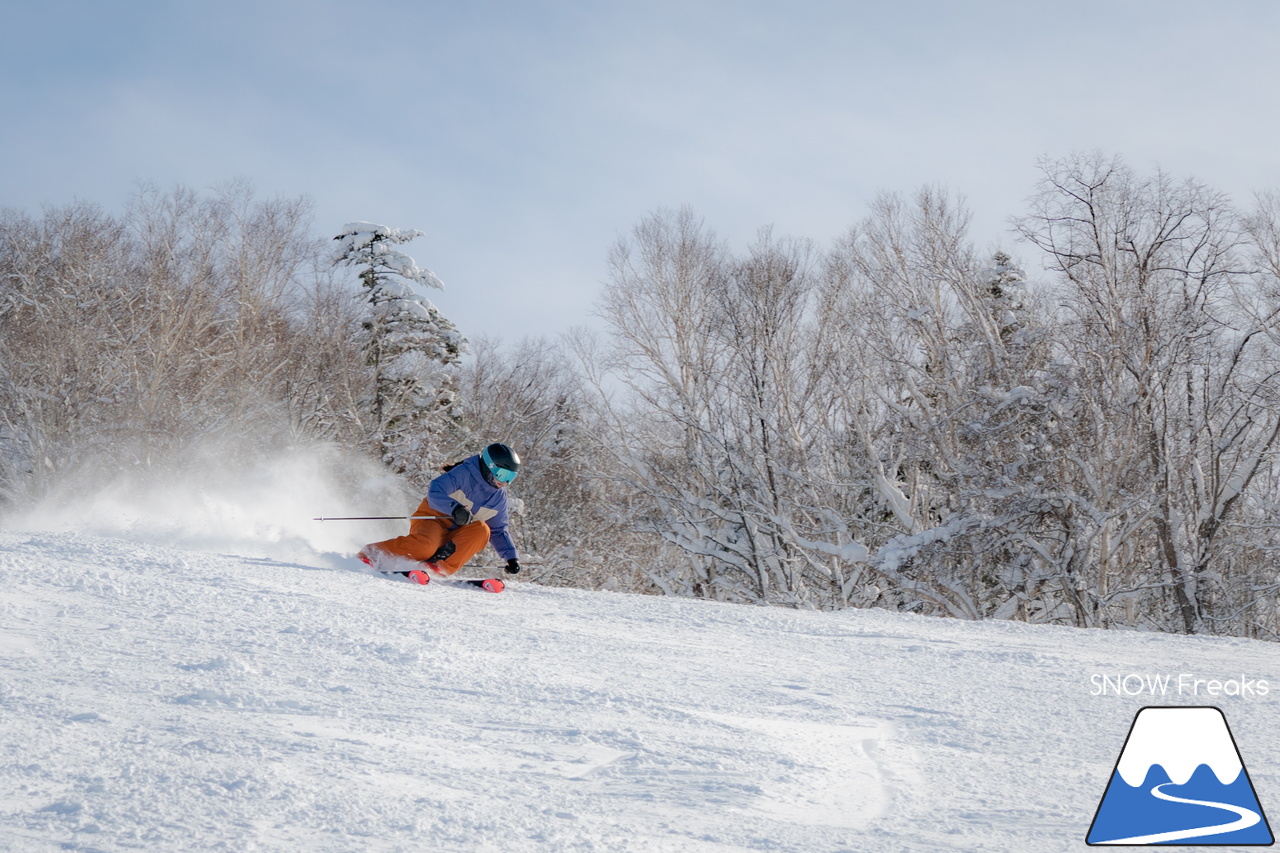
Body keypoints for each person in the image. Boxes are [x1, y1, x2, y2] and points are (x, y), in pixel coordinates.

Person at [358, 443, 523, 584]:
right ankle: (371, 553)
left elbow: (499, 530)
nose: (505, 482)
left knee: (483, 530)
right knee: (425, 547)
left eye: (511, 477)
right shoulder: (464, 473)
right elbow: (436, 491)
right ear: (489, 467)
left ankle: (436, 566)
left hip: (458, 533)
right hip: (434, 519)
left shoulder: (498, 498)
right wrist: (455, 508)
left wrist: (511, 557)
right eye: (502, 474)